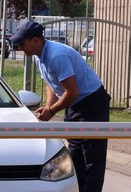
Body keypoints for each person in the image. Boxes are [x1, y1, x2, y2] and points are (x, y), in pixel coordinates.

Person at [10, 21, 111, 192]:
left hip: (91, 104)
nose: (20, 47)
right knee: (75, 155)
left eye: (22, 43)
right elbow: (52, 84)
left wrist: (52, 111)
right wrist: (49, 105)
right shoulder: (39, 56)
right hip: (75, 104)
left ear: (35, 40)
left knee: (92, 159)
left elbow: (71, 92)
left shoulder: (57, 55)